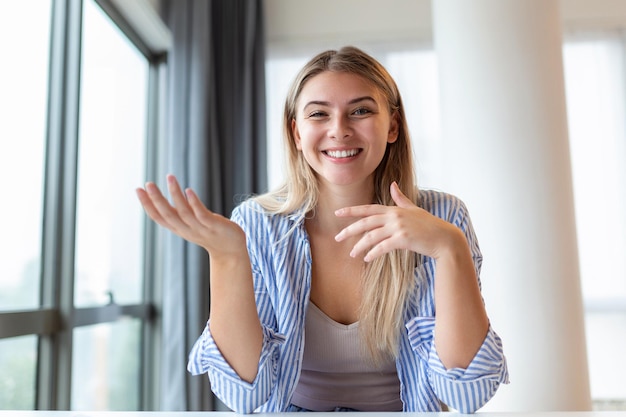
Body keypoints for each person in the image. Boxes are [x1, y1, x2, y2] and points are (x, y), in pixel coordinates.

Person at [136, 46, 509, 413]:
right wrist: (227, 257)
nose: (339, 130)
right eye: (319, 114)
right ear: (297, 133)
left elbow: (466, 395)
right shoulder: (257, 224)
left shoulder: (443, 218)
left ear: (392, 126)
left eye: (360, 111)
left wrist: (450, 248)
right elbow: (243, 396)